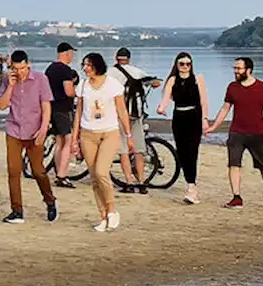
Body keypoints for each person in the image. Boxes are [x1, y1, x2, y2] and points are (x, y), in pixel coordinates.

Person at [204, 57, 263, 209]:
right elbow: (225, 108)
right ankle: (236, 197)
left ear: (248, 70)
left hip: (256, 133)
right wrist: (214, 126)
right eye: (235, 68)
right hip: (236, 132)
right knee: (233, 164)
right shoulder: (232, 87)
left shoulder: (262, 87)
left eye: (239, 69)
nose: (236, 71)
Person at [71, 53, 135, 231]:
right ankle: (103, 216)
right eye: (84, 65)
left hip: (109, 132)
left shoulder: (112, 84)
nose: (85, 69)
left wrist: (129, 135)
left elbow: (122, 110)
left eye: (89, 65)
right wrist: (74, 139)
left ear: (97, 66)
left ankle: (112, 209)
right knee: (93, 177)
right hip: (87, 133)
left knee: (101, 172)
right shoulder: (83, 85)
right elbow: (79, 113)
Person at [0, 50, 57, 224]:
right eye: (16, 69)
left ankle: (50, 201)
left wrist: (44, 128)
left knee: (38, 171)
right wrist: (10, 85)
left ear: (28, 64)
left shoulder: (40, 79)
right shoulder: (7, 80)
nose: (20, 72)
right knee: (13, 171)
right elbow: (2, 105)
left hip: (34, 130)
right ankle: (17, 211)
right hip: (14, 129)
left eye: (23, 68)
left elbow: (46, 106)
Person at [156, 52, 210, 205]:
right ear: (177, 65)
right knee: (182, 152)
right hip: (179, 117)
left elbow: (204, 101)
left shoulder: (198, 79)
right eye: (182, 64)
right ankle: (190, 184)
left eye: (188, 64)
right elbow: (166, 98)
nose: (185, 67)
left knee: (192, 152)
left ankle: (192, 187)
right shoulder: (173, 80)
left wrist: (205, 119)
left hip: (194, 116)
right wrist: (161, 108)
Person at [107, 47, 161, 194]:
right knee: (139, 150)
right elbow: (156, 83)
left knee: (123, 150)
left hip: (119, 115)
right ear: (129, 59)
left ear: (116, 59)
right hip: (136, 116)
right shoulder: (136, 71)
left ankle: (129, 182)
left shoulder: (110, 73)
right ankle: (142, 182)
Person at [45, 42, 80, 188]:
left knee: (59, 141)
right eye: (71, 53)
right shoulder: (65, 70)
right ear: (66, 53)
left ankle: (59, 171)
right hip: (63, 108)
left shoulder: (50, 69)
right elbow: (68, 91)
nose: (72, 56)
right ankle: (62, 175)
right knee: (68, 140)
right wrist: (78, 93)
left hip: (51, 107)